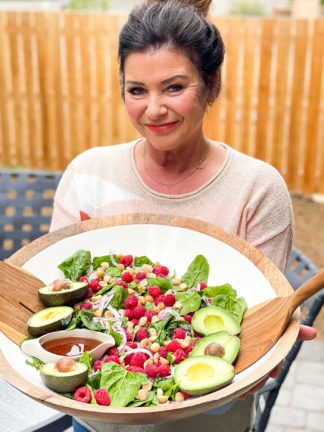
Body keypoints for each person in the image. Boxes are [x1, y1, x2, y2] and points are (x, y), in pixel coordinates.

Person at [50, 1, 317, 431]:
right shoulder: (88, 176)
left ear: (212, 85)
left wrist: (263, 360)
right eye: (137, 90)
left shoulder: (257, 188)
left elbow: (252, 338)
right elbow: (59, 307)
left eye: (173, 87)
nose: (153, 109)